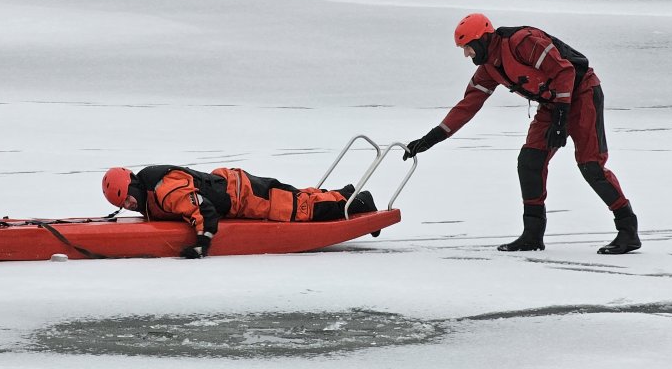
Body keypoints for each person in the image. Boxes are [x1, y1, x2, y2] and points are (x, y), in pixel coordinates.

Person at [403, 13, 640, 255]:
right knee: (530, 161)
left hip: (582, 94)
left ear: (482, 39)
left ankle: (627, 229)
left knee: (591, 166)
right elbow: (467, 106)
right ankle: (533, 235)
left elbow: (565, 72)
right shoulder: (488, 69)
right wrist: (430, 139)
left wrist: (561, 117)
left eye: (468, 47)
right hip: (552, 105)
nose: (466, 54)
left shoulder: (522, 42)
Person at [102, 165, 378, 258]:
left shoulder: (165, 190)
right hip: (232, 187)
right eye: (123, 206)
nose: (129, 206)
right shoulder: (150, 189)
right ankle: (345, 193)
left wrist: (201, 244)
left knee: (297, 208)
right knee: (295, 198)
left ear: (134, 187)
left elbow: (205, 212)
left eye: (128, 201)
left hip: (242, 195)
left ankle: (358, 202)